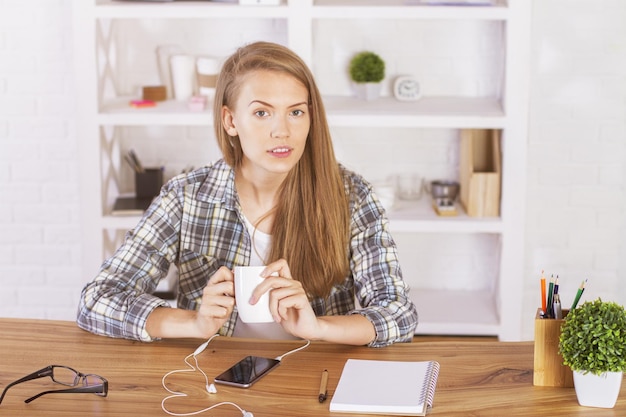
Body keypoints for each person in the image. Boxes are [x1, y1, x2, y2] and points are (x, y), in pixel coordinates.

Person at [77, 41, 418, 347]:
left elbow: (399, 314)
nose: (282, 131)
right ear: (230, 121)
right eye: (261, 113)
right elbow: (96, 300)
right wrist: (194, 323)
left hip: (315, 380)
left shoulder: (352, 197)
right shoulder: (186, 198)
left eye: (296, 112)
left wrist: (320, 328)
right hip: (212, 382)